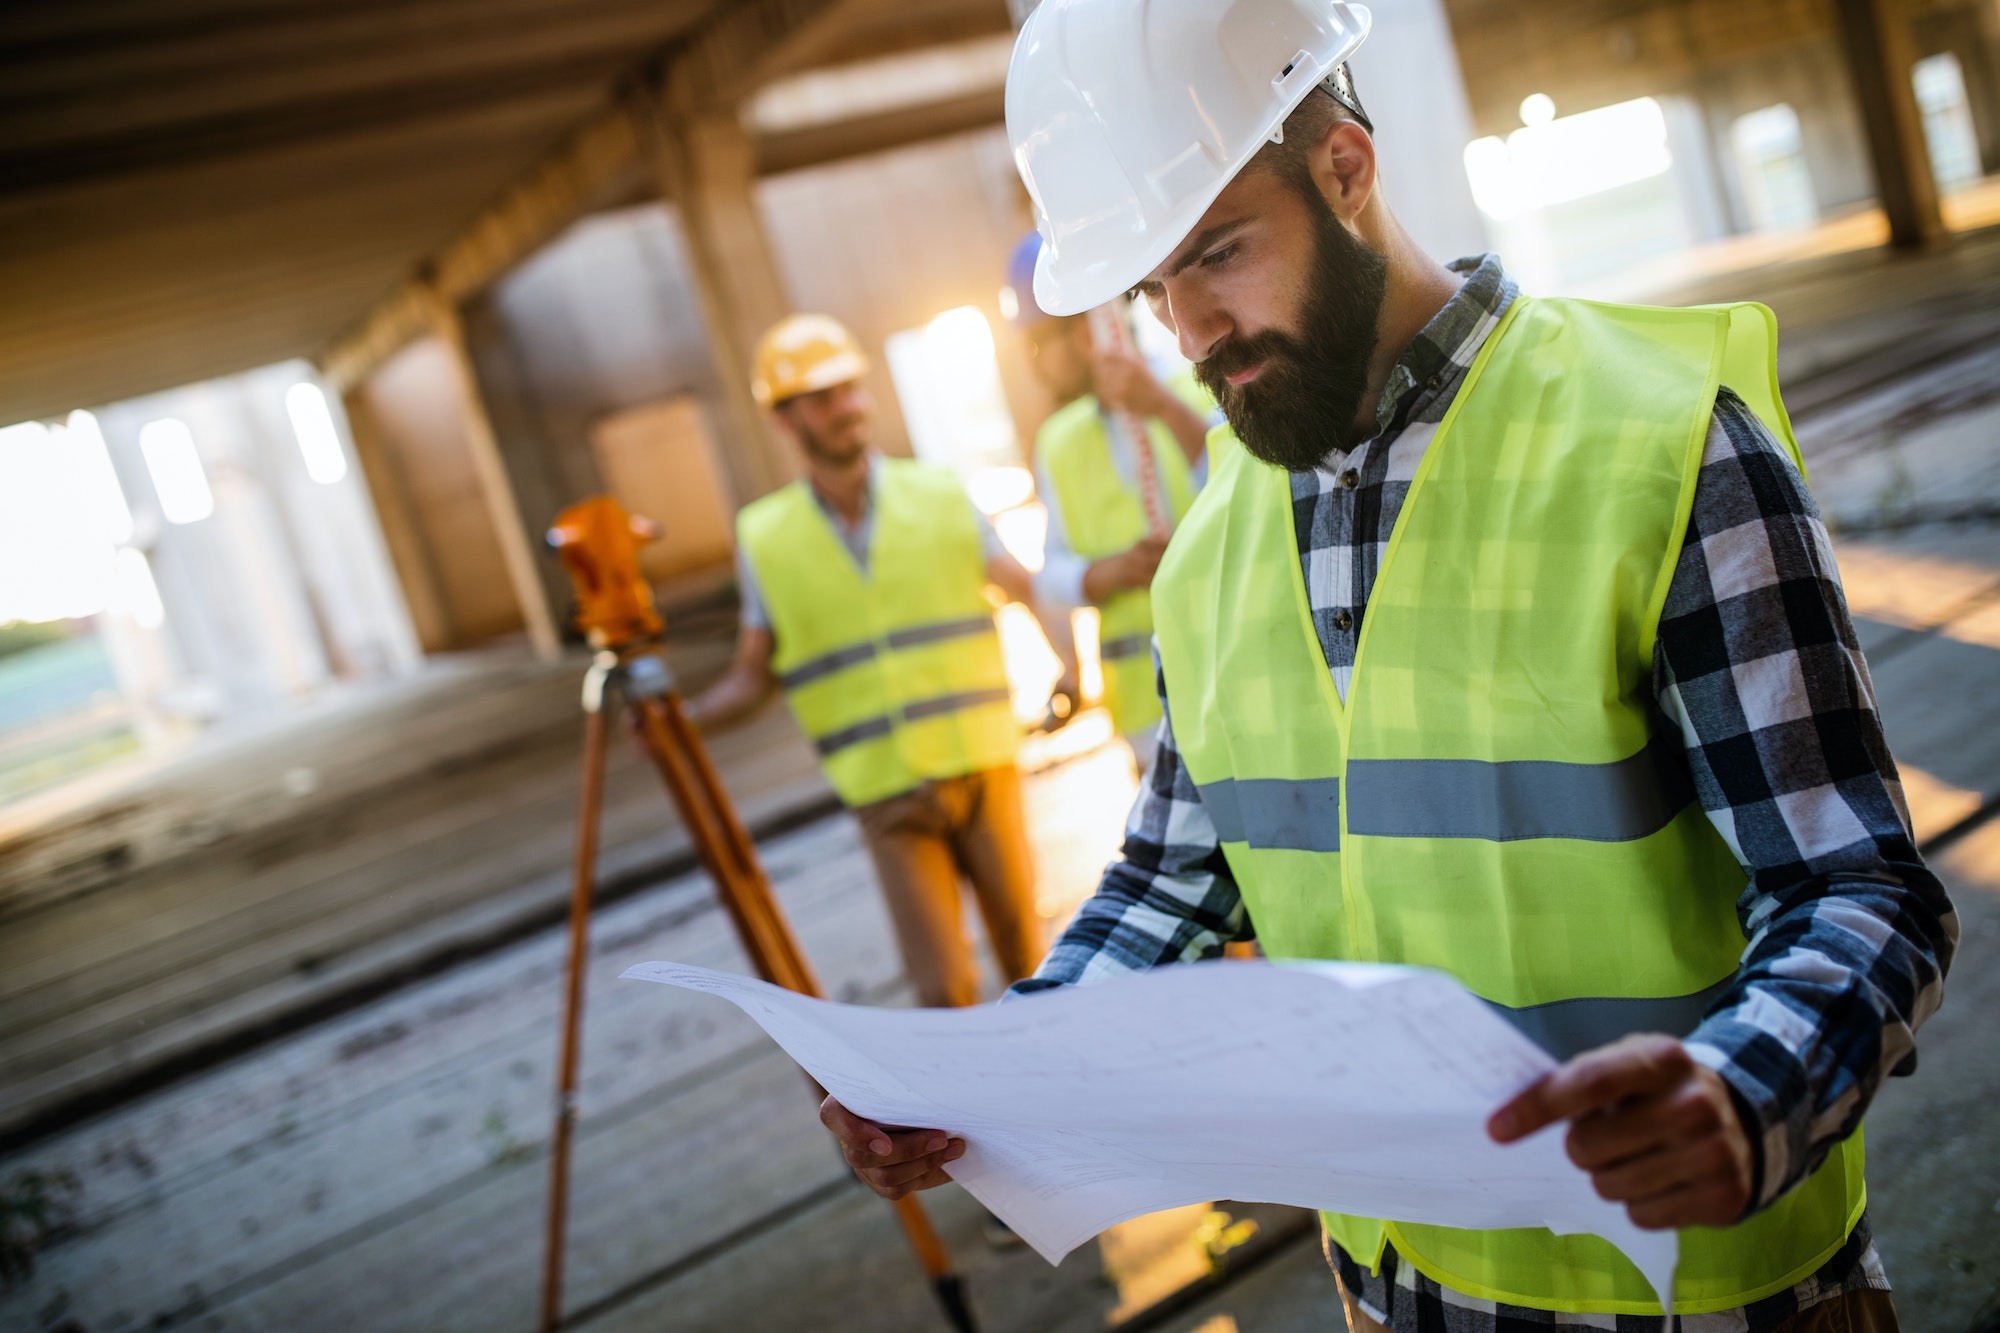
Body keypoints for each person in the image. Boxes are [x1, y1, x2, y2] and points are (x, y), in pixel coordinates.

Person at [816, 4, 1956, 1331]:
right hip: (1392, 1286)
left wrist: (1746, 1092)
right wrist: (985, 1077)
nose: (1191, 330)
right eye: (1149, 289)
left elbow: (1859, 887)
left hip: (1701, 1295)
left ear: (1344, 167)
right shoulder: (1214, 545)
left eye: (1217, 253)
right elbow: (1172, 877)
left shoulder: (1661, 444)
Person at [690, 313, 1045, 1011]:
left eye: (852, 388)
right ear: (785, 419)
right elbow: (753, 675)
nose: (848, 407)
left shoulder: (939, 492)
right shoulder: (765, 537)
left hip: (982, 767)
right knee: (943, 991)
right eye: (823, 398)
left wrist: (1071, 652)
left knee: (1030, 967)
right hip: (885, 794)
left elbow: (1023, 587)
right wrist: (681, 721)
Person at [1002, 231, 1218, 772]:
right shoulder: (1058, 442)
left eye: (1038, 344)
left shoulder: (1201, 389)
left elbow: (1249, 490)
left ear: (1086, 328)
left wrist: (1161, 408)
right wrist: (1106, 574)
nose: (1035, 366)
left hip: (1233, 679)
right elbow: (1050, 576)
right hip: (1145, 719)